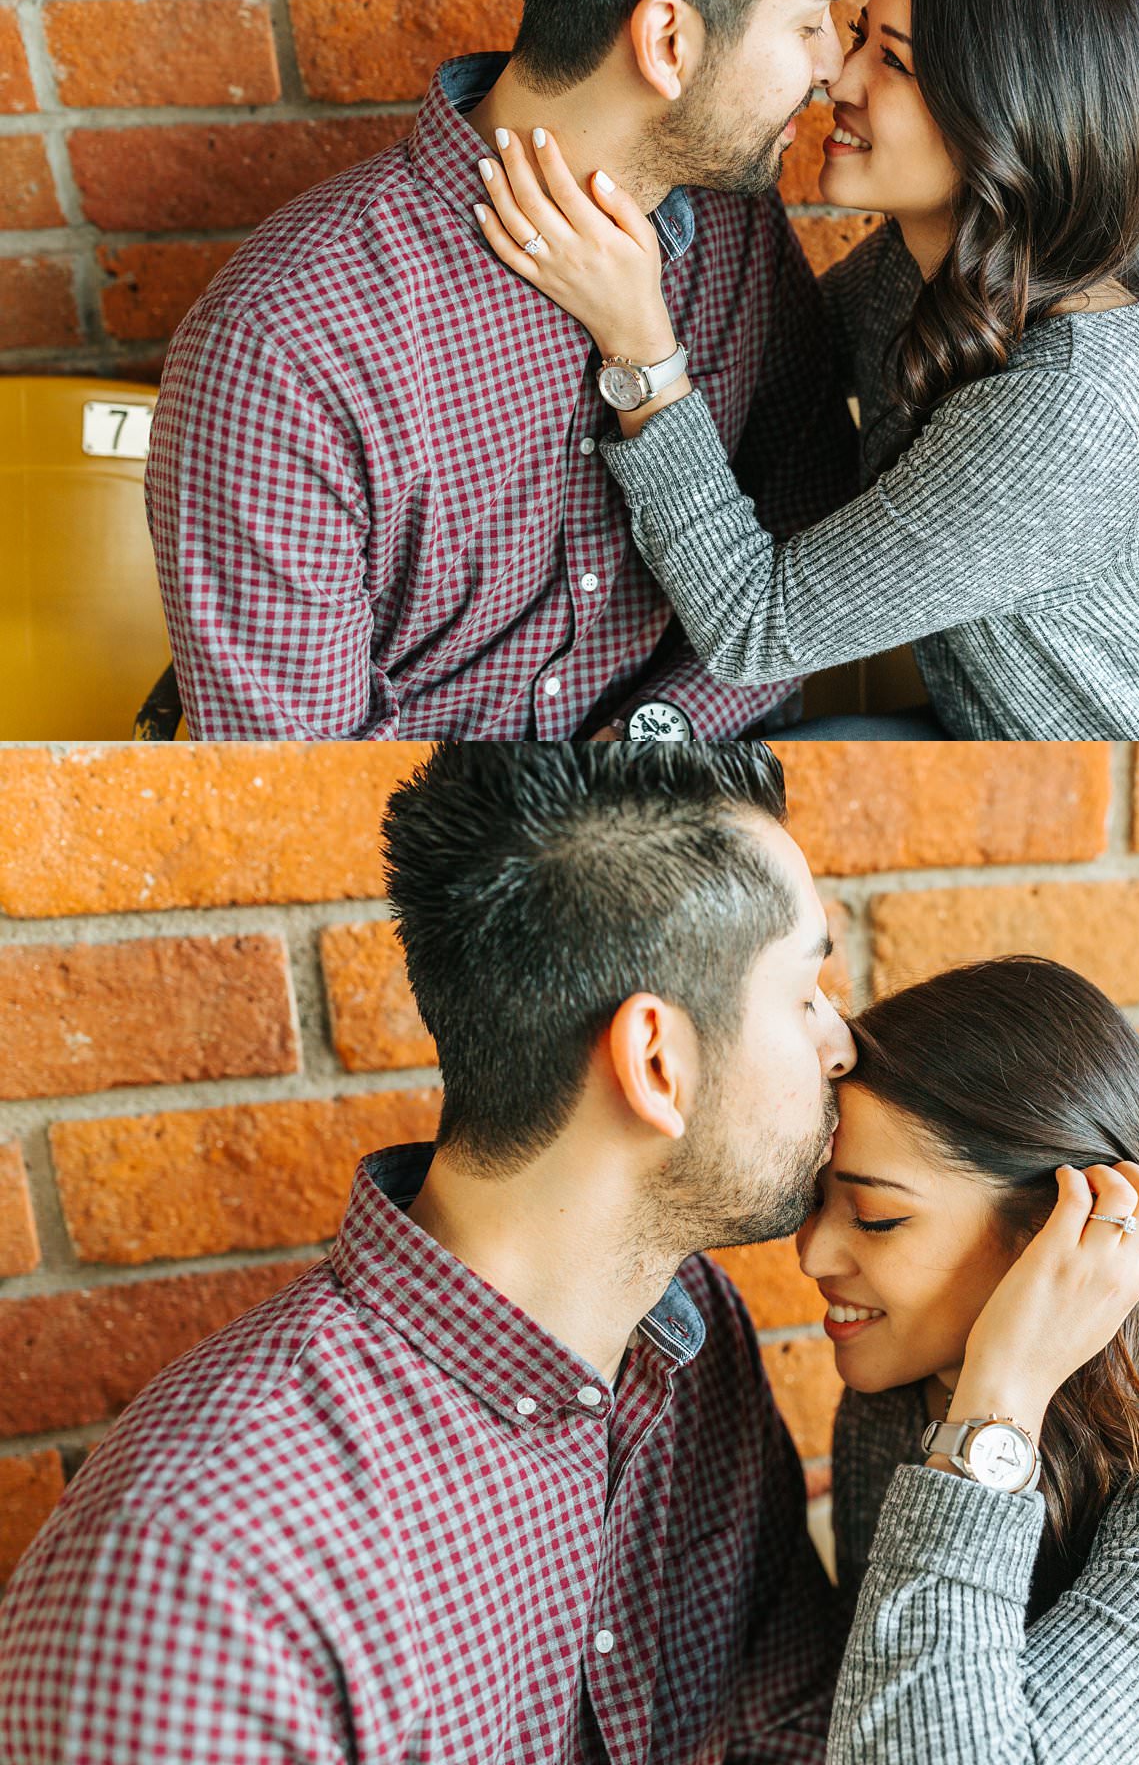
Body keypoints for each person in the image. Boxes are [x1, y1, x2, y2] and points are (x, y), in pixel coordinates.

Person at [0, 743, 857, 1764]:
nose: (839, 1040)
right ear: (658, 1062)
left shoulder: (687, 1329)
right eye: (805, 992)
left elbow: (800, 1728)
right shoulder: (208, 1573)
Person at [146, 0, 856, 742]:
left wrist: (655, 733)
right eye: (808, 21)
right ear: (669, 42)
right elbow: (289, 778)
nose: (833, 61)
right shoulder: (285, 348)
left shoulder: (736, 221)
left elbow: (805, 535)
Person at [472, 0, 1139, 740]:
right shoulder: (924, 271)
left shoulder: (1073, 408)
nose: (838, 83)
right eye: (857, 40)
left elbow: (755, 628)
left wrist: (639, 345)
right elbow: (782, 358)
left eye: (894, 63)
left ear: (1005, 118)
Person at [794, 955, 1139, 1762]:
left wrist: (995, 1410)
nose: (813, 1254)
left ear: (1059, 1236)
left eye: (878, 1218)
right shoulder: (899, 1403)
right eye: (818, 1201)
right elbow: (880, 1717)